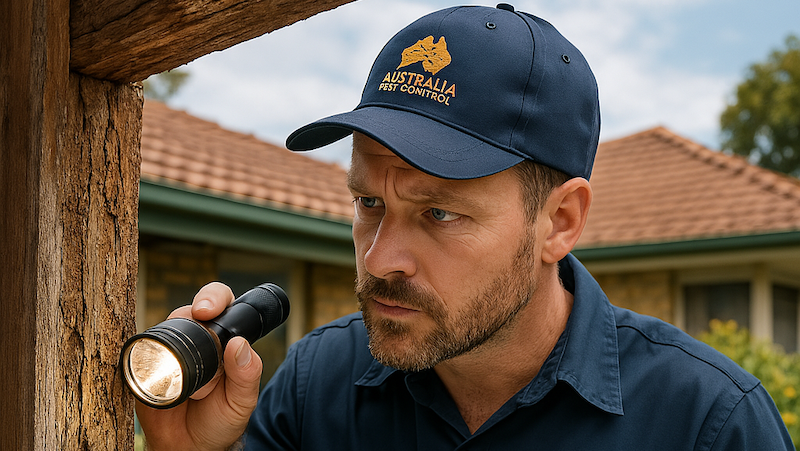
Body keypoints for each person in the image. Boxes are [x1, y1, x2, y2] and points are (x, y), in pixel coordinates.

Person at [137, 4, 794, 450]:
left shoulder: (709, 423)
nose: (381, 257)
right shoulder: (317, 388)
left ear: (559, 221)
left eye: (439, 213)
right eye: (369, 203)